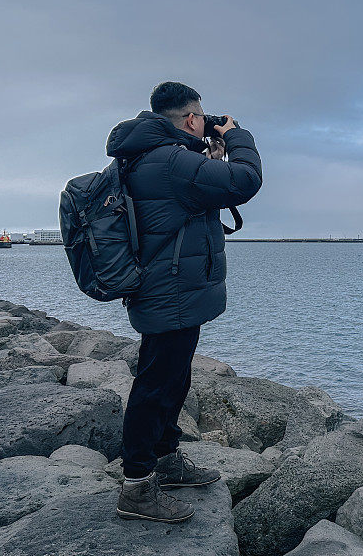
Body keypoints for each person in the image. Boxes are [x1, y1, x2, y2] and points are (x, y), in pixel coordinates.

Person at [105, 81, 263, 523]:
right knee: (156, 383)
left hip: (168, 288)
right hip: (169, 291)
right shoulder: (170, 160)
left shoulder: (154, 156)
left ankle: (165, 458)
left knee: (173, 377)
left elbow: (192, 199)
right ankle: (136, 485)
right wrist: (236, 137)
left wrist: (206, 158)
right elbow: (245, 180)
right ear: (191, 119)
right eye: (203, 116)